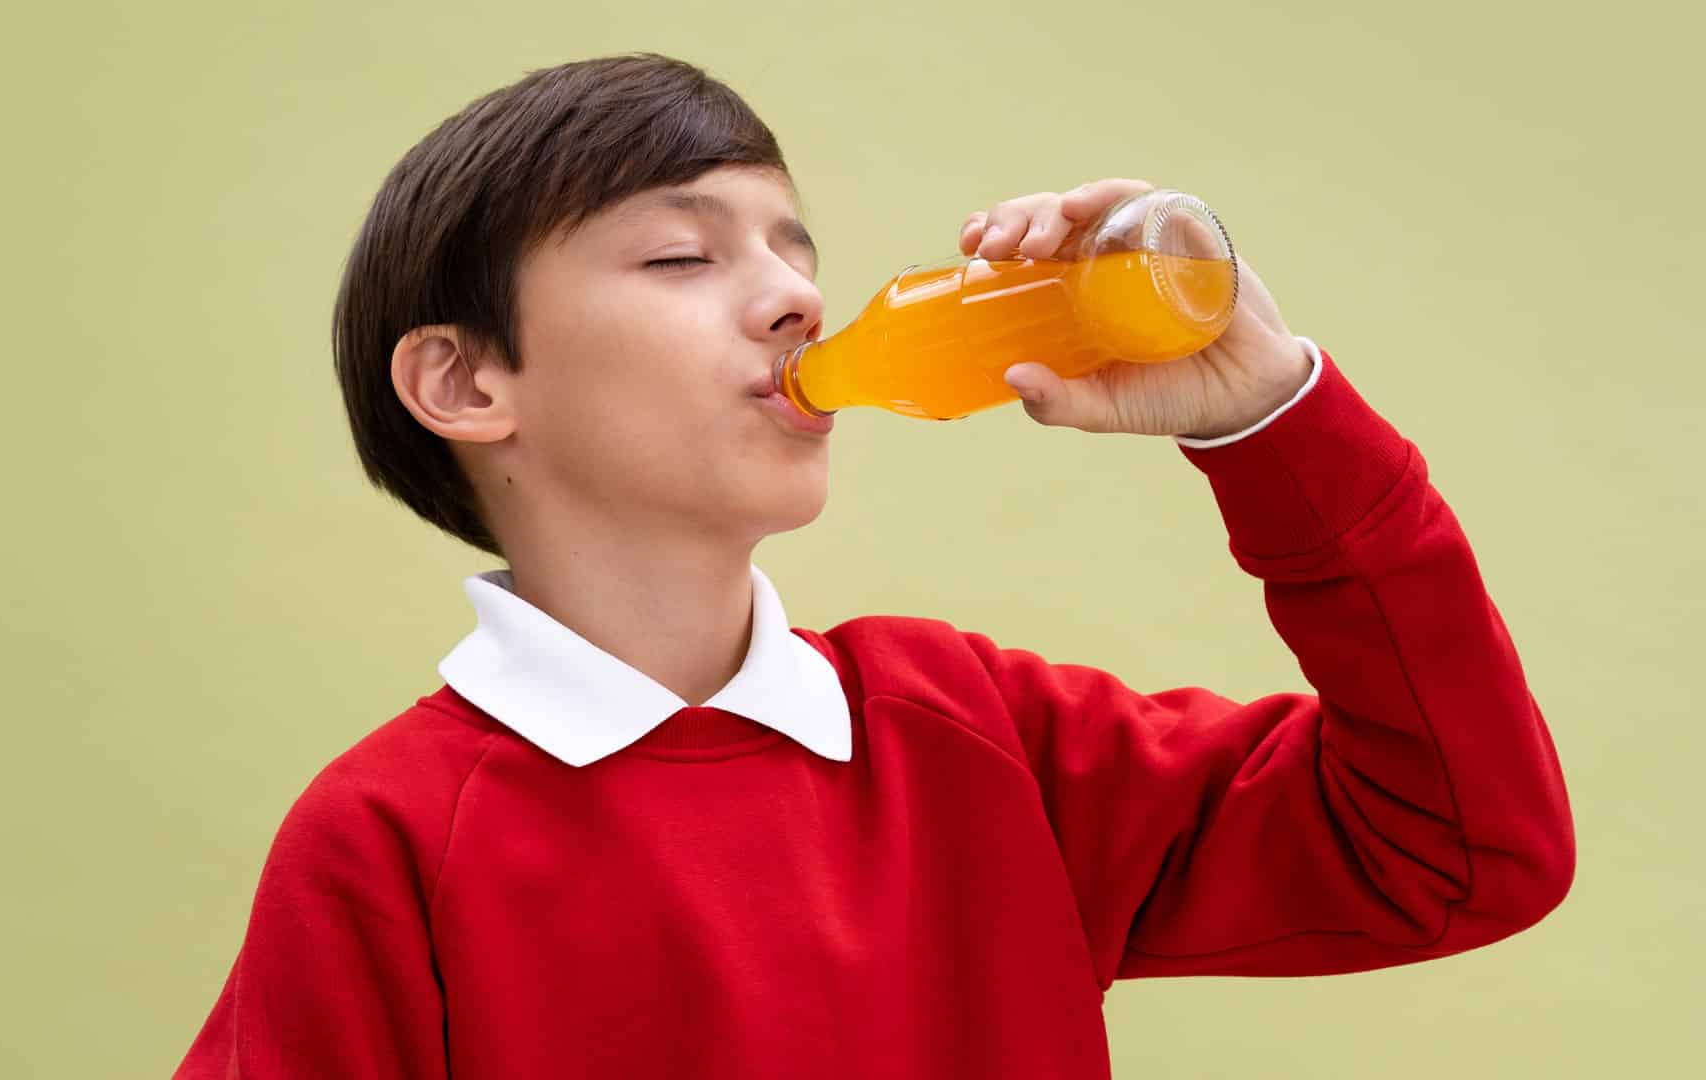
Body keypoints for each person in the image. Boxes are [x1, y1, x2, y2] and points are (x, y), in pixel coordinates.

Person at [173, 51, 1576, 1079]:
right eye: (681, 254)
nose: (795, 296)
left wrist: (1273, 420)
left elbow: (1461, 852)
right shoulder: (393, 841)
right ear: (469, 382)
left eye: (796, 249)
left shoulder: (973, 740)